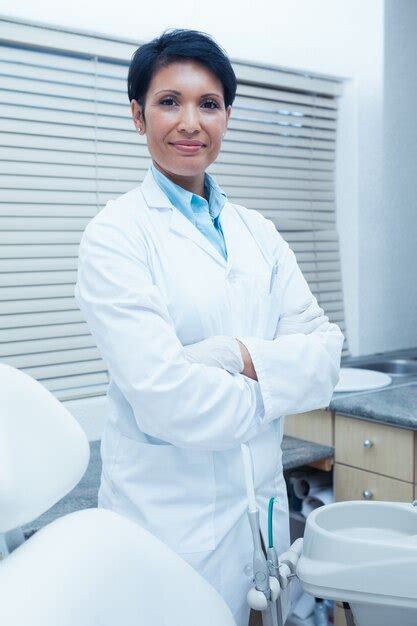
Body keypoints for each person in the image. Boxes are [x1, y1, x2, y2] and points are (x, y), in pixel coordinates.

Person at [74, 28, 344, 626]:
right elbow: (168, 402)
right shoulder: (116, 236)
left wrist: (227, 353)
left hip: (263, 506)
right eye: (169, 102)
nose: (190, 122)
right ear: (137, 115)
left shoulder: (260, 233)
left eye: (209, 104)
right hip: (169, 523)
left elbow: (325, 359)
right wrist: (275, 383)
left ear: (226, 116)